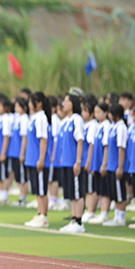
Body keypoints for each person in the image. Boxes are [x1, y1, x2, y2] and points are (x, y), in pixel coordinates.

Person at [24, 92, 52, 228]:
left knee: (41, 189)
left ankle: (44, 216)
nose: (29, 105)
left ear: (39, 103)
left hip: (38, 160)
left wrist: (41, 159)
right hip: (31, 159)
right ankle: (39, 213)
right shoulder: (34, 118)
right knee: (36, 189)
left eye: (31, 102)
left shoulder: (41, 118)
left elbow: (43, 140)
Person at [58, 94, 85, 233]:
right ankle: (73, 219)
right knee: (70, 193)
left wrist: (78, 161)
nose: (64, 103)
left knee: (77, 191)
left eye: (67, 101)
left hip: (74, 162)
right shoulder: (65, 121)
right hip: (66, 162)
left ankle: (79, 222)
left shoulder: (77, 120)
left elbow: (80, 140)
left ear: (72, 104)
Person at [102, 104, 128, 227]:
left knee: (119, 192)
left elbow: (121, 148)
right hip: (111, 166)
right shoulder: (113, 127)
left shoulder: (121, 128)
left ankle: (121, 216)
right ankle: (116, 215)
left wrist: (120, 166)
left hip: (116, 165)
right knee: (114, 192)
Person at [88, 103, 112, 224]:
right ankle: (100, 211)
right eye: (95, 112)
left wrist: (104, 163)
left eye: (99, 112)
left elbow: (106, 146)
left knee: (104, 189)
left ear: (106, 113)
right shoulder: (98, 126)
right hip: (96, 162)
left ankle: (104, 213)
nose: (96, 114)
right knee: (99, 188)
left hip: (102, 162)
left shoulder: (106, 126)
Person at [8, 97, 29, 207]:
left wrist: (22, 153)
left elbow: (24, 137)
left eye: (18, 105)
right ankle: (21, 197)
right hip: (14, 151)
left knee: (22, 175)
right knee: (18, 175)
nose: (15, 107)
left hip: (19, 152)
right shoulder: (17, 118)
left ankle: (23, 197)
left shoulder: (25, 118)